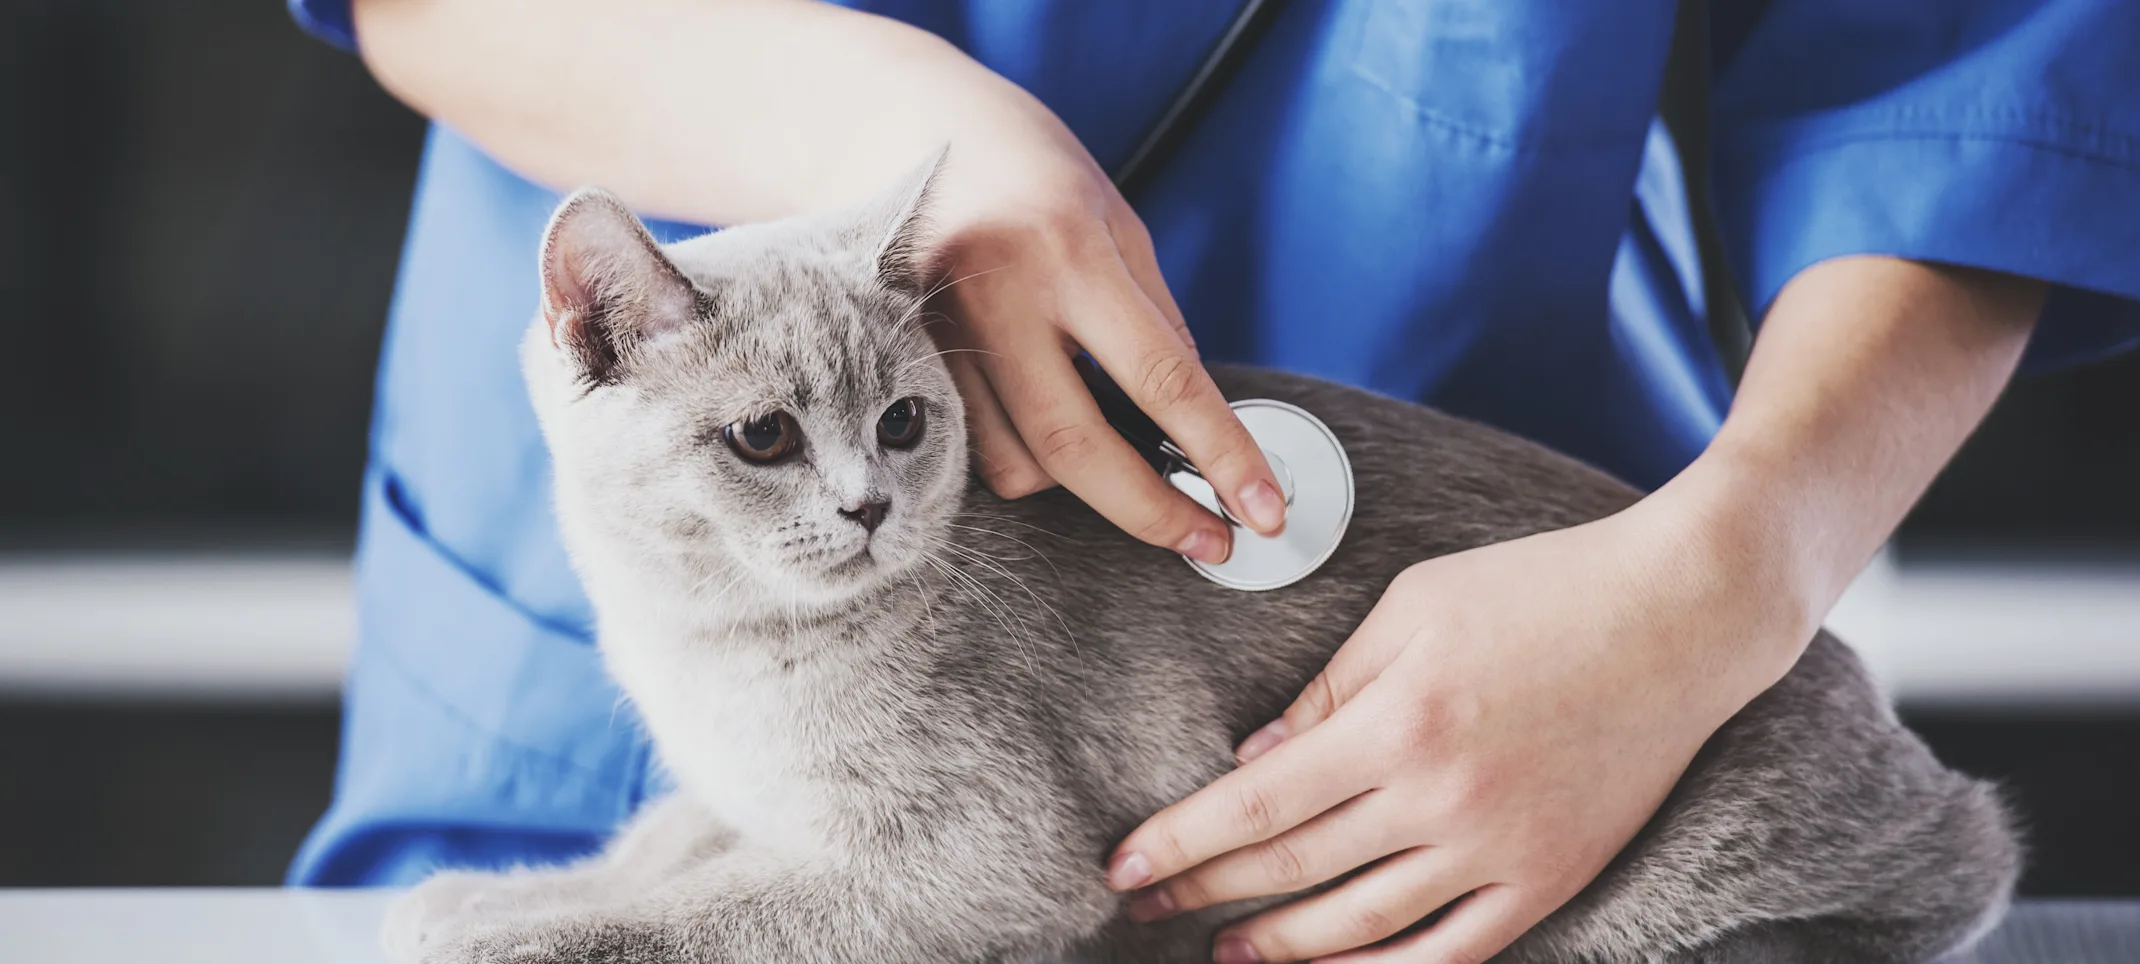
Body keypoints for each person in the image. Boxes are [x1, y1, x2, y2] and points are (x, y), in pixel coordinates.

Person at [287, 0, 2139, 960]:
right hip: (695, 464)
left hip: (1517, 616)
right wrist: (894, 153)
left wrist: (1732, 574)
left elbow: (1976, 74)